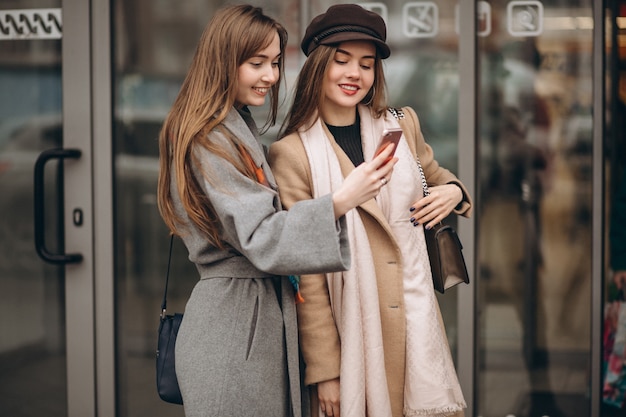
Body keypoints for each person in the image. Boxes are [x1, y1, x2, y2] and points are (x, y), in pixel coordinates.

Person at [156, 5, 397, 417]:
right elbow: (261, 236)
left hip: (247, 320)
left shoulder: (230, 126)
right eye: (257, 63)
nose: (270, 76)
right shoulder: (206, 137)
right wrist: (341, 200)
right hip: (233, 333)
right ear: (223, 61)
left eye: (274, 63)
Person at [268, 4, 472, 417]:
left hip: (414, 321)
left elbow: (435, 175)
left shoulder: (399, 126)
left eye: (366, 64)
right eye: (341, 60)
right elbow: (306, 275)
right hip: (351, 335)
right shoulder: (291, 154)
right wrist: (325, 370)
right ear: (319, 65)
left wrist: (454, 192)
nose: (354, 75)